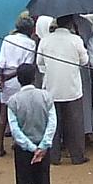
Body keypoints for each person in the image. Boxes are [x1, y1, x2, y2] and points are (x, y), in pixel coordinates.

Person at [5, 63, 56, 184]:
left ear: (18, 79)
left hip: (24, 152)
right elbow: (52, 124)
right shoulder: (46, 97)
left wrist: (30, 147)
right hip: (43, 150)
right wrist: (42, 147)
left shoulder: (14, 101)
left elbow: (15, 130)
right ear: (34, 77)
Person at [37, 15, 89, 165]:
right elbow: (85, 61)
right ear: (71, 24)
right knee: (75, 125)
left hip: (51, 89)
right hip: (72, 89)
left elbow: (39, 63)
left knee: (53, 125)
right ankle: (77, 156)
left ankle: (54, 157)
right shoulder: (76, 40)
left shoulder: (45, 40)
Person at [0, 13, 36, 159]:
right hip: (19, 80)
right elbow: (25, 67)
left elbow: (1, 62)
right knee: (20, 113)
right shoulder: (31, 44)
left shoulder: (7, 39)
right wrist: (8, 77)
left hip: (6, 80)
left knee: (3, 113)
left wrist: (1, 78)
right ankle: (17, 142)